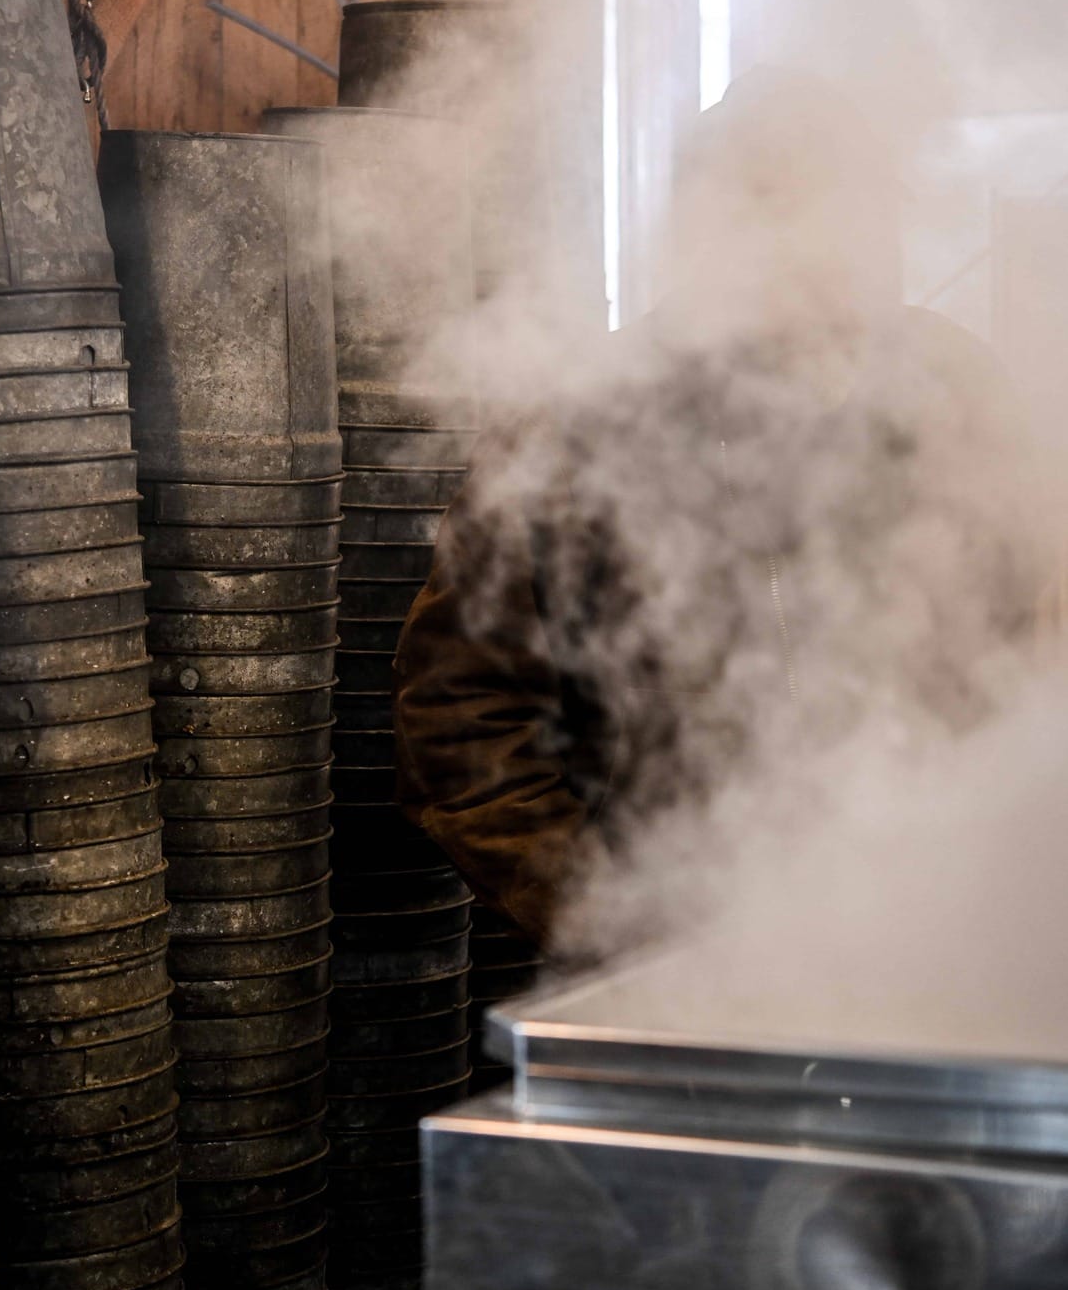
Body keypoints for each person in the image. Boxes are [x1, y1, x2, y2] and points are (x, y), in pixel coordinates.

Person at [393, 69, 1046, 951]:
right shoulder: (577, 427)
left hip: (937, 930)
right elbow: (461, 718)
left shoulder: (956, 391)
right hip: (679, 950)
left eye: (862, 217)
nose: (839, 258)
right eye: (788, 219)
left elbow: (1041, 648)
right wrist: (615, 914)